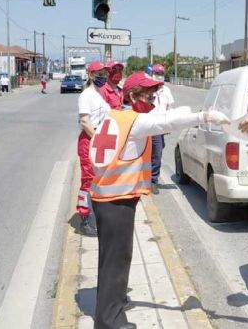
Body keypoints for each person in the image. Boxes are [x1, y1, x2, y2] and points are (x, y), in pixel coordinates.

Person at [87, 71, 229, 329]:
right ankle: (110, 322)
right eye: (147, 93)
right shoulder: (135, 122)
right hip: (116, 199)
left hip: (107, 197)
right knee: (117, 260)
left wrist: (180, 110)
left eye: (154, 92)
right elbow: (166, 123)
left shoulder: (118, 116)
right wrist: (204, 116)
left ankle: (112, 303)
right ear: (133, 95)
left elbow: (161, 117)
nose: (152, 97)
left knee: (111, 258)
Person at [76, 61, 111, 237]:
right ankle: (84, 219)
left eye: (104, 72)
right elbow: (84, 121)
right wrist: (97, 139)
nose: (103, 75)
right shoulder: (86, 95)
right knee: (88, 180)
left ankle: (94, 214)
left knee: (98, 179)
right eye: (99, 72)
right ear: (90, 75)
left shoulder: (99, 94)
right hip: (89, 139)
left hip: (98, 140)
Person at [148, 64, 174, 194]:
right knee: (156, 153)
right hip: (150, 125)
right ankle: (152, 180)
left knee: (158, 151)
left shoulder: (166, 90)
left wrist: (169, 124)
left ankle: (151, 178)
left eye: (161, 73)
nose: (159, 76)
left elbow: (169, 108)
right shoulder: (147, 89)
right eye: (157, 73)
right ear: (152, 73)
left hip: (161, 125)